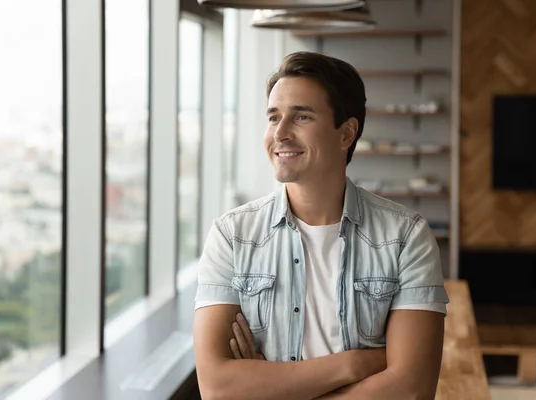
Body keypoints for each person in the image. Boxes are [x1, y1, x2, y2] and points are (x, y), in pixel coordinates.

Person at [192, 51, 450, 400]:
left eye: (301, 117)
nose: (280, 133)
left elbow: (411, 390)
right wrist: (354, 365)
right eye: (273, 117)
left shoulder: (406, 237)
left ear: (346, 133)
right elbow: (217, 388)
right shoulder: (232, 236)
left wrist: (267, 386)